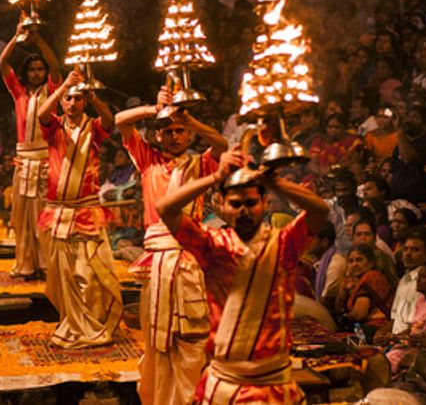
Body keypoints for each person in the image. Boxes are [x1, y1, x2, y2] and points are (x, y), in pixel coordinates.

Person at [157, 150, 329, 404]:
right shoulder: (212, 246)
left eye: (251, 203)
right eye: (236, 204)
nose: (243, 211)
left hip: (274, 385)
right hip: (223, 384)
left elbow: (319, 211)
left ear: (265, 203)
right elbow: (165, 208)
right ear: (221, 205)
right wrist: (215, 176)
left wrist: (275, 182)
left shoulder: (284, 243)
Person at [115, 86, 226, 405]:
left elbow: (223, 145)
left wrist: (187, 116)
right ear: (158, 136)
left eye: (181, 131)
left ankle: (188, 398)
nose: (175, 136)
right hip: (156, 263)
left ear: (190, 135)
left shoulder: (200, 164)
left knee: (191, 338)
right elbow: (121, 121)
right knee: (156, 341)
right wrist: (155, 109)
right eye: (169, 131)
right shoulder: (148, 160)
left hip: (190, 262)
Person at [37, 70, 121, 348]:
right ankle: (71, 323)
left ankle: (92, 325)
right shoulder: (54, 127)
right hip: (59, 211)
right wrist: (64, 87)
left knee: (88, 272)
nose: (72, 104)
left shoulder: (93, 128)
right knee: (64, 275)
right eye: (68, 100)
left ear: (85, 102)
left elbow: (110, 120)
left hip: (86, 209)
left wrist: (93, 95)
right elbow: (41, 113)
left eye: (78, 99)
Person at [0, 16, 61, 278]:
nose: (36, 73)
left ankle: (46, 264)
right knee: (23, 217)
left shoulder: (53, 91)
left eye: (40, 69)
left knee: (45, 214)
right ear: (26, 73)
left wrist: (38, 40)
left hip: (46, 160)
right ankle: (26, 263)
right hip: (23, 161)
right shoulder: (18, 92)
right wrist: (16, 36)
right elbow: (2, 63)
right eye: (32, 69)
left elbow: (56, 66)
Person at [385, 260, 426, 373]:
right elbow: (413, 327)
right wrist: (393, 336)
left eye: (423, 277)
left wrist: (397, 338)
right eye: (418, 276)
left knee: (390, 358)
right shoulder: (422, 300)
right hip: (412, 345)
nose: (418, 281)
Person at [335, 244, 395, 332]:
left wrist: (345, 317)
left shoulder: (371, 277)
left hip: (377, 328)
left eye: (359, 260)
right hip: (365, 328)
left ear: (371, 263)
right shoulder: (354, 282)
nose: (354, 264)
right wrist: (343, 292)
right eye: (351, 261)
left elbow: (360, 314)